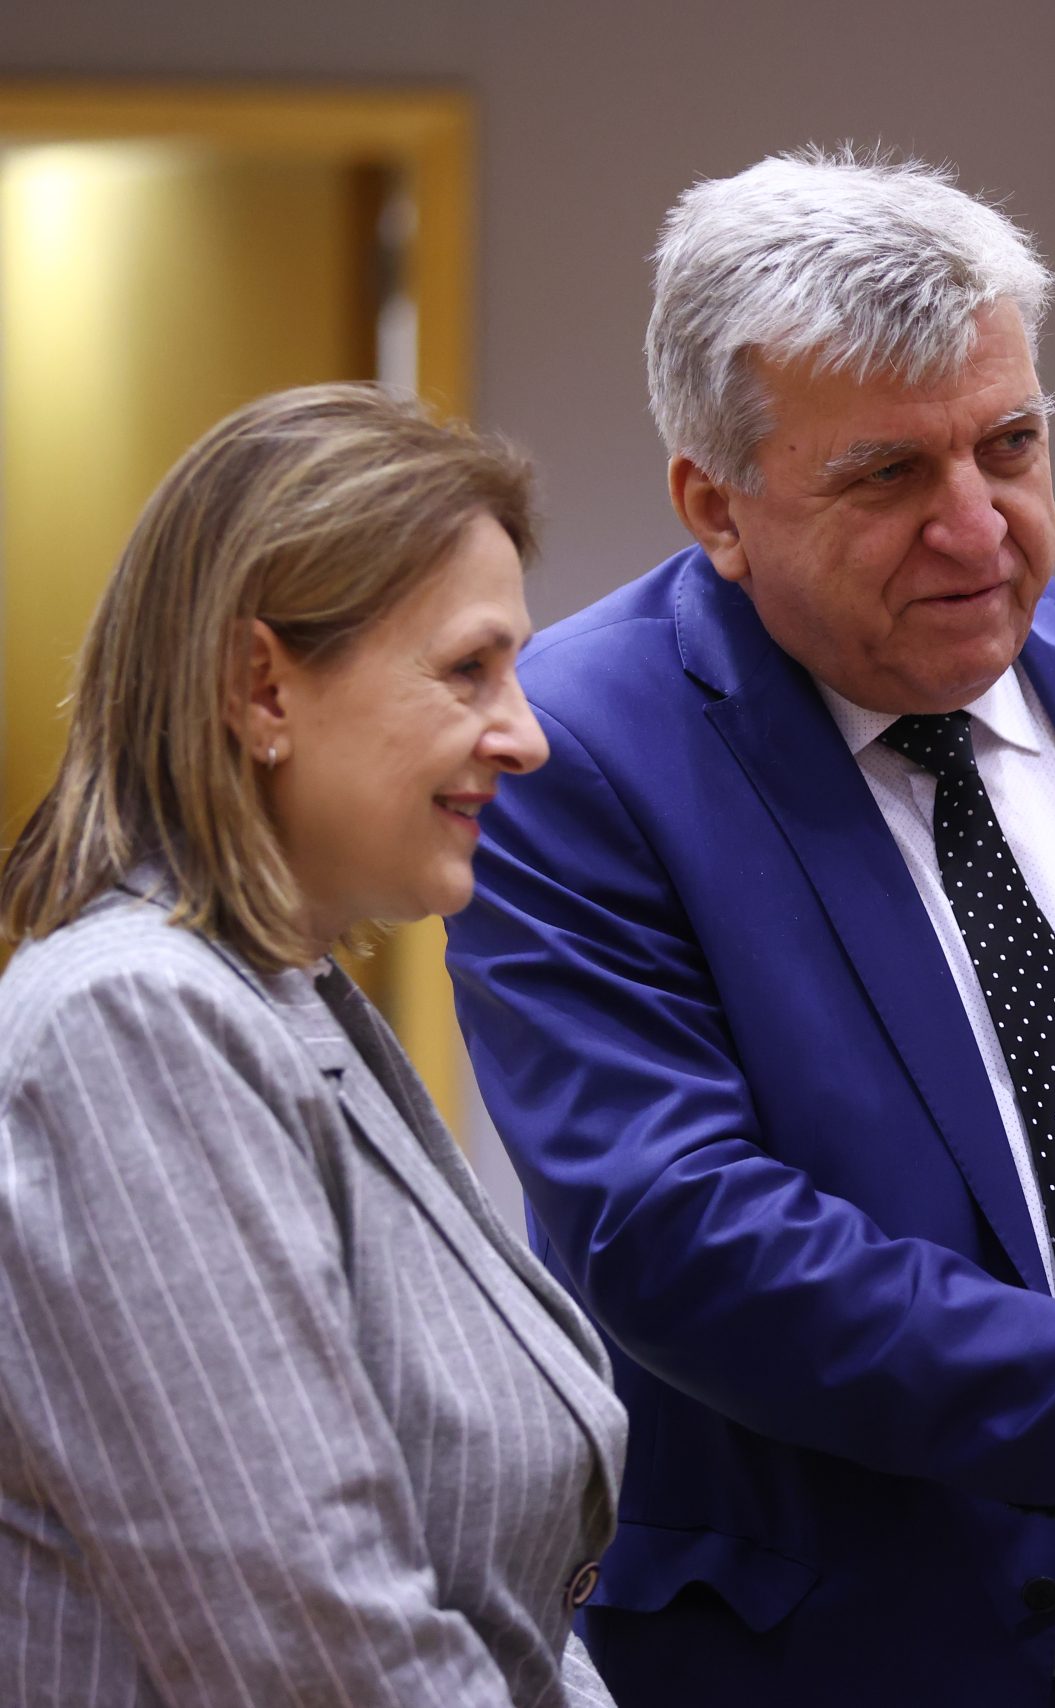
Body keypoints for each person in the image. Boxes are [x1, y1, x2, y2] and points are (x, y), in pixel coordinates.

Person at [442, 146, 1055, 1706]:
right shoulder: (574, 751)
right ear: (716, 504)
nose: (978, 530)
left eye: (1011, 445)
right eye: (887, 477)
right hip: (866, 1660)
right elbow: (684, 1238)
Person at [0, 384, 626, 1707]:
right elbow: (318, 1648)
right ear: (261, 685)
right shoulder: (135, 1022)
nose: (526, 735)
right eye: (469, 670)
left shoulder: (281, 995)